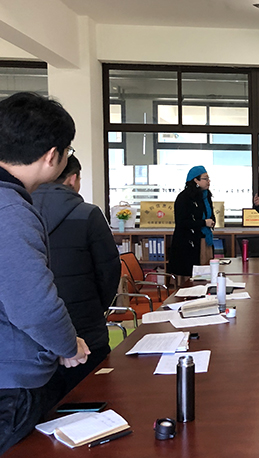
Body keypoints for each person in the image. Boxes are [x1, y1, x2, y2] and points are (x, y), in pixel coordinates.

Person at [0, 92, 90, 454]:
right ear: (53, 155)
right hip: (11, 386)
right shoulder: (10, 211)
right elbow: (35, 306)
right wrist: (68, 345)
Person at [32, 155, 120, 396]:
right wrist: (96, 307)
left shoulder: (17, 212)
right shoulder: (88, 214)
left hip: (33, 341)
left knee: (43, 411)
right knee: (94, 402)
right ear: (73, 179)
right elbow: (109, 271)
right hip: (86, 330)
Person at [169, 165, 215, 282]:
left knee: (206, 276)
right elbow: (182, 222)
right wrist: (204, 222)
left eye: (208, 178)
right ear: (196, 180)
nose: (208, 181)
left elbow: (209, 214)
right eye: (205, 178)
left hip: (204, 240)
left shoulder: (206, 196)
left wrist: (211, 221)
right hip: (187, 242)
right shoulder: (184, 198)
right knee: (189, 277)